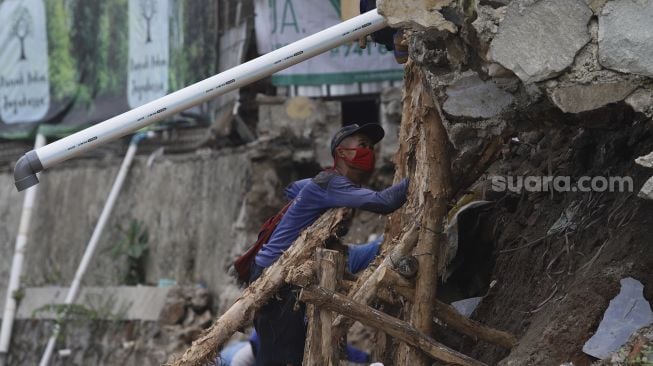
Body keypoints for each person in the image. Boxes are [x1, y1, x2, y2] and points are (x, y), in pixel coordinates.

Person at [249, 123, 409, 366]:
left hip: (304, 267)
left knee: (296, 348)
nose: (369, 151)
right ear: (342, 153)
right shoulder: (332, 184)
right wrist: (417, 176)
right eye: (362, 146)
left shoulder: (327, 183)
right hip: (276, 276)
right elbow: (385, 202)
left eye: (371, 147)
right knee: (282, 356)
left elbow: (291, 189)